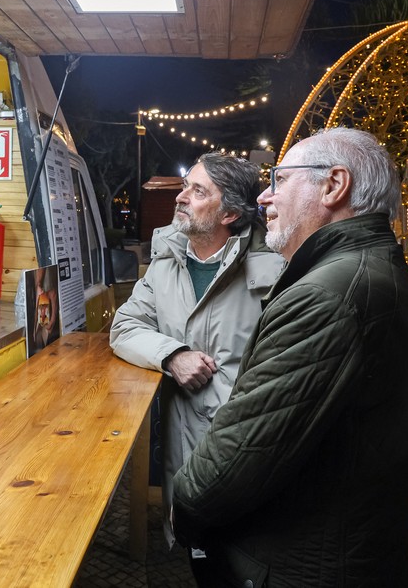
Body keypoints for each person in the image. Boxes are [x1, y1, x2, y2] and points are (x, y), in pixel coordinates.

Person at [172, 128, 408, 587]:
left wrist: (184, 511)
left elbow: (231, 465)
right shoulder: (370, 272)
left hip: (302, 567)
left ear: (334, 186)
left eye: (279, 179)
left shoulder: (328, 296)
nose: (264, 196)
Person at [109, 152, 285, 562]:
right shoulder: (166, 263)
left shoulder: (276, 272)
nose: (180, 197)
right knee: (201, 558)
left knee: (248, 559)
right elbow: (124, 328)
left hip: (245, 451)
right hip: (184, 449)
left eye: (198, 190)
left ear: (230, 214)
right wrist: (172, 355)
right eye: (186, 185)